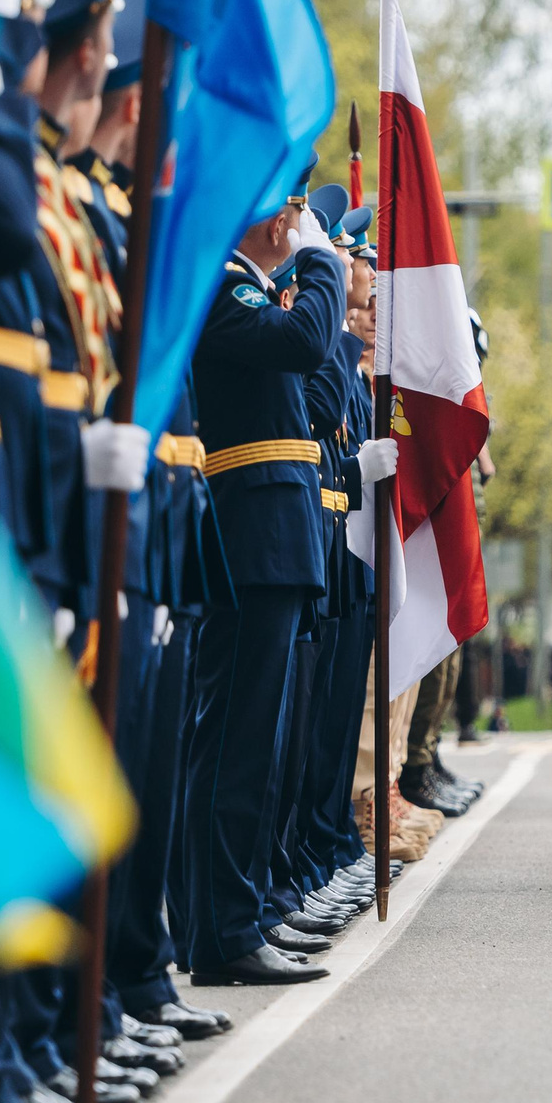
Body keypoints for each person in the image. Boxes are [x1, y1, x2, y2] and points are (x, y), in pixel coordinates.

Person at [178, 172, 353, 983]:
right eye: (291, 205)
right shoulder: (222, 286)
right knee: (235, 744)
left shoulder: (251, 288)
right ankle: (222, 931)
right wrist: (325, 265)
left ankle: (241, 916)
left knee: (259, 743)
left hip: (276, 534)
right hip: (248, 533)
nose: (297, 219)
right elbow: (305, 342)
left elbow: (312, 378)